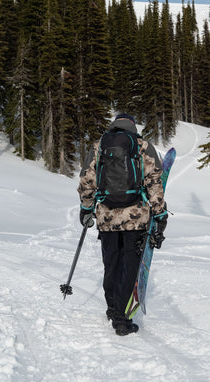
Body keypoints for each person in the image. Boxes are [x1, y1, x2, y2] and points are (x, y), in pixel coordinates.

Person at [77, 113, 168, 336]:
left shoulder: (99, 146)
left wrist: (86, 208)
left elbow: (87, 181)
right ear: (133, 127)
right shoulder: (143, 146)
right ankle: (122, 317)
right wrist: (160, 214)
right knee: (129, 267)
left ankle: (112, 308)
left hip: (106, 217)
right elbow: (155, 182)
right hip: (136, 217)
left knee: (111, 263)